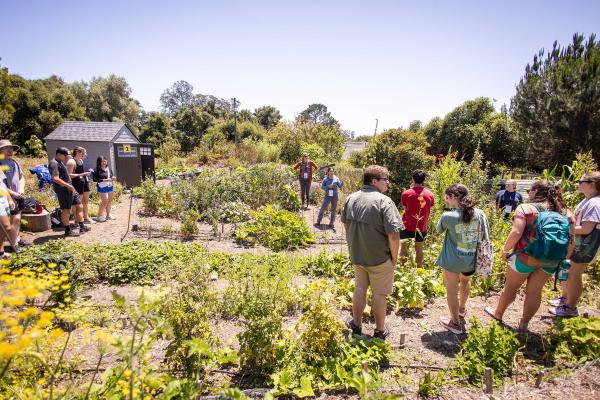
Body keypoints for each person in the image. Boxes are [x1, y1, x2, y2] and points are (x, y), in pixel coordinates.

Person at [485, 180, 572, 332]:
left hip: (525, 256)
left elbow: (516, 232)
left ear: (537, 191)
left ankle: (498, 314)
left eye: (530, 190)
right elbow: (571, 240)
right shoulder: (566, 213)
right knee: (535, 291)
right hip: (551, 260)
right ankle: (524, 323)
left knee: (511, 287)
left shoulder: (526, 208)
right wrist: (565, 258)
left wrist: (505, 251)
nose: (529, 193)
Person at [341, 165, 403, 340]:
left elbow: (346, 225)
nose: (388, 183)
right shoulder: (384, 201)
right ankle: (380, 331)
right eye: (386, 179)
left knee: (360, 287)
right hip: (380, 258)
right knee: (379, 294)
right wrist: (394, 258)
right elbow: (394, 235)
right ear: (374, 181)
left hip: (357, 255)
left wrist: (353, 246)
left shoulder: (350, 198)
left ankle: (357, 325)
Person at [436, 184, 488, 334]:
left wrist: (447, 212)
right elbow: (484, 235)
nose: (445, 200)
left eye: (447, 197)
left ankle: (455, 324)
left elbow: (438, 230)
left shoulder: (448, 216)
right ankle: (461, 309)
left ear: (454, 197)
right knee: (466, 281)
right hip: (471, 259)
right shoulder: (480, 214)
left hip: (452, 260)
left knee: (451, 290)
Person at [549, 171, 600, 317]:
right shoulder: (588, 200)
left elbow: (586, 228)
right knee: (568, 271)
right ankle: (565, 299)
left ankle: (570, 307)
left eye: (581, 181)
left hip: (585, 246)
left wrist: (564, 229)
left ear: (593, 184)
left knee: (574, 274)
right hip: (576, 243)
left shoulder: (595, 203)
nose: (578, 183)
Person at [49, 147, 91, 237]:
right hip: (63, 189)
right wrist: (68, 185)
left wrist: (70, 186)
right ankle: (67, 230)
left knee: (79, 206)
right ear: (59, 154)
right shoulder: (54, 163)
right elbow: (55, 178)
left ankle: (82, 227)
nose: (67, 158)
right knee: (66, 210)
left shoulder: (60, 162)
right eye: (66, 155)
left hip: (70, 188)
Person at [399, 170, 435, 268]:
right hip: (422, 227)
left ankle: (403, 268)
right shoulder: (430, 194)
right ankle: (419, 269)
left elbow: (405, 208)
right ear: (424, 180)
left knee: (403, 248)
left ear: (412, 179)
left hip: (406, 225)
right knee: (419, 249)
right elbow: (428, 207)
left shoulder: (406, 193)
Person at [0, 139, 31, 248]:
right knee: (15, 219)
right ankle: (14, 244)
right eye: (6, 148)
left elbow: (21, 177)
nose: (10, 149)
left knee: (16, 219)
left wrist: (21, 189)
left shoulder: (14, 162)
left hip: (18, 195)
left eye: (11, 147)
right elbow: (1, 184)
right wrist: (12, 193)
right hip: (5, 197)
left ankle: (17, 239)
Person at [67, 147, 93, 224]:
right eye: (83, 153)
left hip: (84, 182)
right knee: (78, 203)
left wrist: (85, 174)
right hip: (76, 183)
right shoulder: (71, 162)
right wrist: (82, 174)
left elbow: (81, 172)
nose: (85, 155)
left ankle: (86, 217)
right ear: (78, 152)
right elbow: (69, 175)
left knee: (85, 201)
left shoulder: (81, 160)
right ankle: (77, 220)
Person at [93, 156, 116, 222]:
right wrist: (105, 180)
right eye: (102, 161)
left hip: (110, 186)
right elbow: (95, 179)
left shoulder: (109, 169)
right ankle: (100, 216)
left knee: (109, 201)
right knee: (104, 201)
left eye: (105, 161)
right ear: (99, 162)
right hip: (102, 187)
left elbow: (111, 176)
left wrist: (113, 177)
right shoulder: (96, 170)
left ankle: (108, 215)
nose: (103, 163)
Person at [0, 168, 15, 258]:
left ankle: (1, 253)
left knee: (2, 229)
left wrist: (9, 199)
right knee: (6, 227)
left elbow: (3, 185)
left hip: (4, 201)